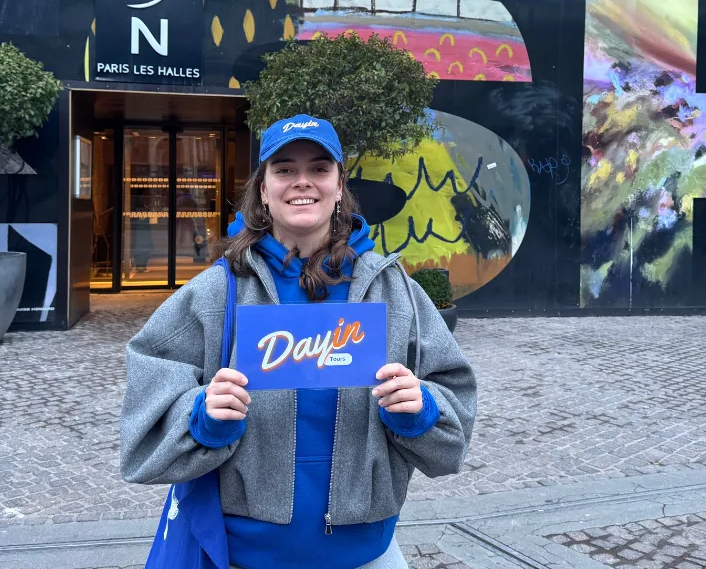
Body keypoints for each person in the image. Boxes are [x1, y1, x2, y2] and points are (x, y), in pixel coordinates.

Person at [120, 114, 477, 569]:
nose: (302, 182)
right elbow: (143, 418)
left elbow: (454, 417)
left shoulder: (395, 291)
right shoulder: (218, 291)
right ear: (264, 189)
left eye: (319, 168)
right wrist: (202, 417)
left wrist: (422, 408)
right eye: (284, 169)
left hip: (368, 554)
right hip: (244, 557)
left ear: (340, 186)